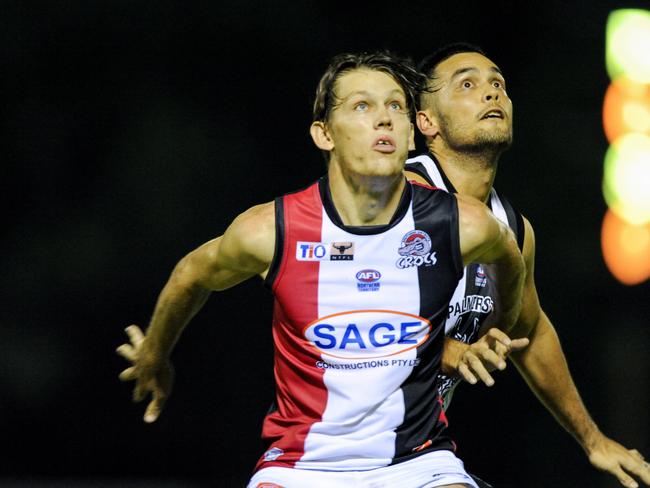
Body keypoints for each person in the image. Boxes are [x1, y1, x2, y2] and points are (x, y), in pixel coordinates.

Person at [117, 51, 527, 488]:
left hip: (417, 461)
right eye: (362, 107)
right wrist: (156, 352)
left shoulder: (460, 223)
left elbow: (509, 259)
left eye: (395, 106)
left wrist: (492, 332)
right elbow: (191, 274)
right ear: (324, 134)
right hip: (300, 466)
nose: (384, 119)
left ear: (412, 134)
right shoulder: (275, 229)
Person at [405, 42, 650, 488]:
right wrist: (444, 351)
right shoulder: (394, 199)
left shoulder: (512, 231)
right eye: (468, 84)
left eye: (498, 83)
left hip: (416, 451)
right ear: (427, 122)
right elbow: (329, 309)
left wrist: (592, 439)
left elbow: (530, 331)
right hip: (328, 443)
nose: (491, 92)